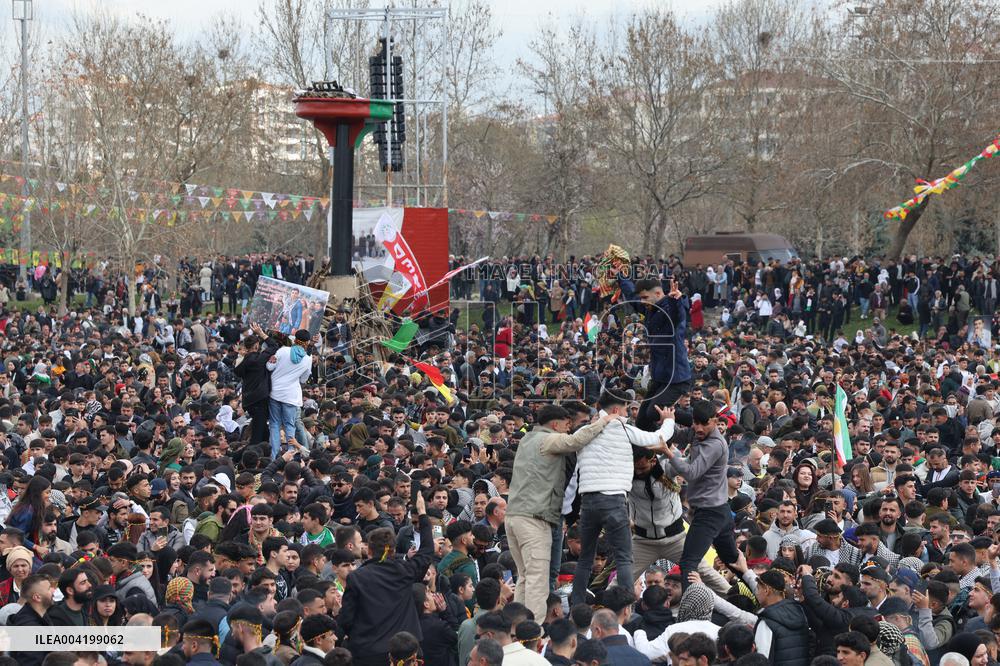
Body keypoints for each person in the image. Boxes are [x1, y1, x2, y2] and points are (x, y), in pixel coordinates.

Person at [506, 406, 613, 619]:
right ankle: (533, 631)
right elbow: (575, 442)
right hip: (534, 519)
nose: (568, 430)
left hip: (514, 517)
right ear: (555, 425)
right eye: (566, 426)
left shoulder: (527, 440)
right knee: (537, 579)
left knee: (525, 578)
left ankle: (517, 626)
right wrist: (602, 422)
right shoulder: (548, 440)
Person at [570, 389, 675, 605]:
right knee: (624, 559)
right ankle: (626, 609)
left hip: (588, 502)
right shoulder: (625, 430)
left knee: (585, 559)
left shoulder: (585, 431)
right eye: (626, 408)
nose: (628, 413)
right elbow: (659, 437)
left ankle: (577, 606)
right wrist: (669, 420)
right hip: (614, 500)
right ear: (617, 410)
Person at [339, 487, 433, 666]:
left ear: (370, 550)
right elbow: (427, 551)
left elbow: (347, 619)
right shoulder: (405, 571)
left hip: (369, 653)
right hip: (405, 654)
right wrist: (422, 514)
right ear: (394, 550)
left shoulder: (356, 577)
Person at [661, 399, 740, 587]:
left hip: (710, 513)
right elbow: (680, 435)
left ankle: (691, 608)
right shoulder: (698, 432)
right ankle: (749, 588)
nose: (699, 428)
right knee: (732, 560)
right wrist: (666, 422)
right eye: (696, 423)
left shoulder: (715, 444)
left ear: (715, 421)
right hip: (718, 511)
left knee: (688, 562)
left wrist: (668, 453)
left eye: (704, 424)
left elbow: (691, 472)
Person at [634, 278, 691, 431]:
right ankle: (652, 450)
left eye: (645, 297)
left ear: (658, 293)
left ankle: (698, 421)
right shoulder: (651, 309)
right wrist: (620, 276)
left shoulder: (669, 307)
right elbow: (631, 298)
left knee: (654, 412)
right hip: (660, 376)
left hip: (676, 377)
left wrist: (675, 301)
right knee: (641, 422)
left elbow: (676, 315)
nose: (642, 301)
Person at [266, 329, 313, 459]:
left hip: (275, 392)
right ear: (307, 342)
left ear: (295, 339)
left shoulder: (282, 351)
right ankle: (290, 454)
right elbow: (303, 379)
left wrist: (272, 362)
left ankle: (274, 456)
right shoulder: (308, 359)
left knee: (274, 424)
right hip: (291, 396)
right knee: (289, 425)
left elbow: (269, 367)